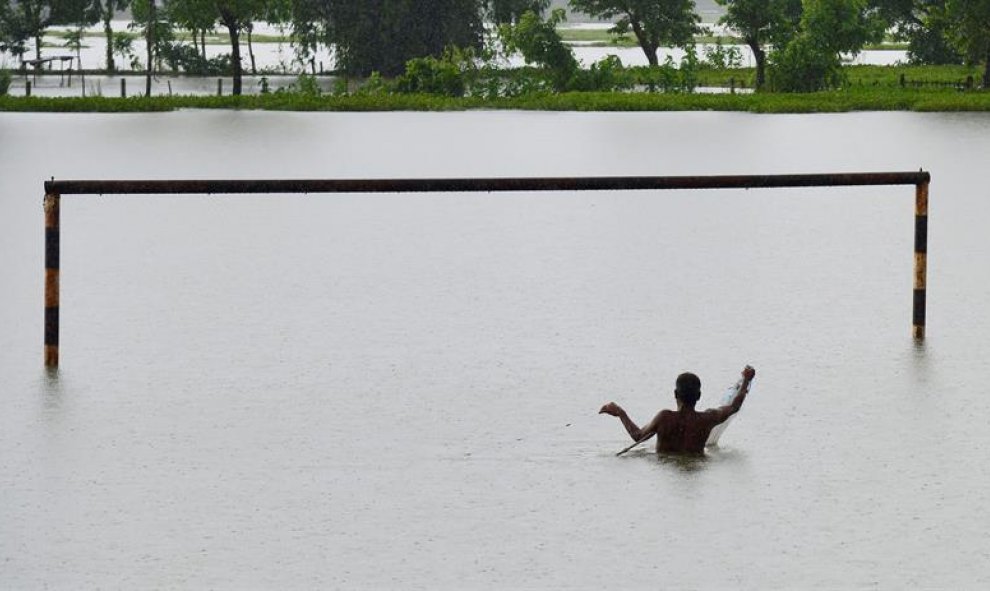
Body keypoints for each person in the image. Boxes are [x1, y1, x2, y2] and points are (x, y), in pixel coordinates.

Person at [599, 365, 756, 454]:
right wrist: (746, 381)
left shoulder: (664, 418)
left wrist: (620, 412)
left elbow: (638, 436)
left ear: (675, 394)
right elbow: (734, 406)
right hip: (698, 466)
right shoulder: (707, 419)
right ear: (699, 396)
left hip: (664, 467)